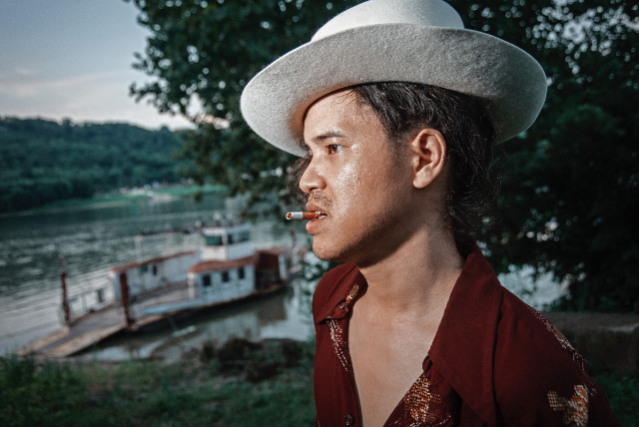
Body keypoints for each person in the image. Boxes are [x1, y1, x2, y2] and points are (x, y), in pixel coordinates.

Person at [240, 0, 620, 425]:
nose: (306, 180)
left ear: (423, 158)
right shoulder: (332, 300)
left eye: (332, 148)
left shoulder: (529, 372)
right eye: (309, 155)